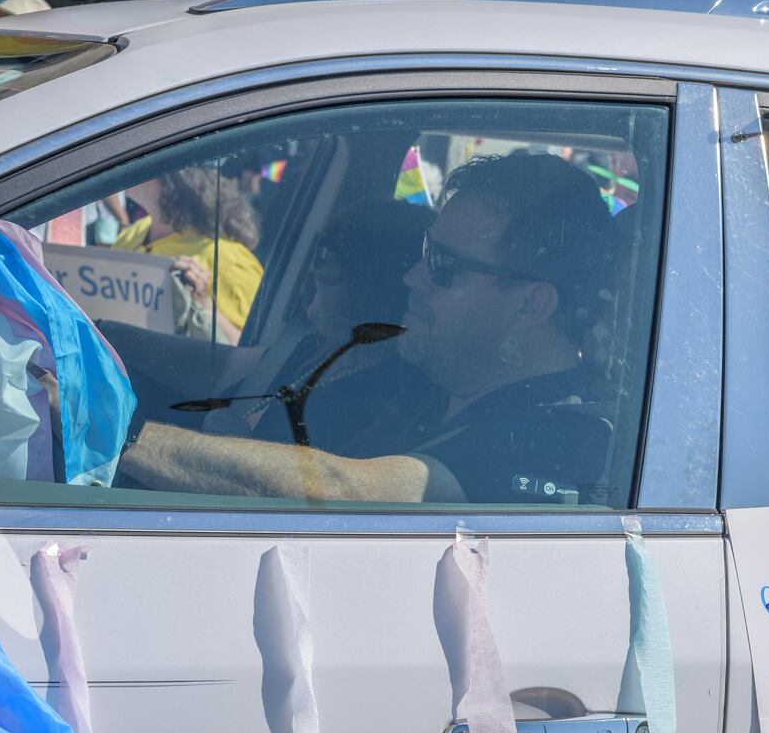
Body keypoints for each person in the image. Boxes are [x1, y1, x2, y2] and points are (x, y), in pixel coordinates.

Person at [115, 150, 615, 503]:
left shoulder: (555, 438)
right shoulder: (426, 372)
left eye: (442, 264)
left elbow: (348, 491)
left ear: (531, 304)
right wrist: (92, 333)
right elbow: (233, 369)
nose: (412, 277)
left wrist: (112, 429)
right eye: (423, 251)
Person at [226, 199, 444, 456]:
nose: (312, 266)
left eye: (324, 251)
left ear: (365, 278)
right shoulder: (314, 348)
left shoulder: (378, 400)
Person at [115, 167, 264, 344]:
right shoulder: (136, 231)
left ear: (177, 181)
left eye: (146, 160)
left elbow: (249, 350)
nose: (133, 166)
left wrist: (205, 305)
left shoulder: (228, 259)